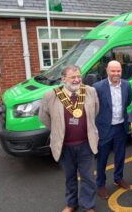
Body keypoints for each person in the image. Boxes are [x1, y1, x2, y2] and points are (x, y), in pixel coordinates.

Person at [39, 65, 99, 212]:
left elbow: (95, 111)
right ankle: (72, 204)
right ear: (63, 79)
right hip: (64, 146)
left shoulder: (90, 91)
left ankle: (88, 205)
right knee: (69, 177)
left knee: (88, 178)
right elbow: (44, 118)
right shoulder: (51, 95)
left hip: (86, 144)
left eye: (79, 76)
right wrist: (58, 130)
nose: (77, 80)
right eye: (73, 77)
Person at [93, 60, 132, 199]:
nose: (116, 73)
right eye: (113, 71)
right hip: (105, 128)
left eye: (118, 71)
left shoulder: (126, 85)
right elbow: (94, 108)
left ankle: (118, 178)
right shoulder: (97, 87)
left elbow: (127, 102)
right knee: (102, 159)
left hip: (121, 127)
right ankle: (101, 184)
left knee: (120, 156)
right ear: (107, 71)